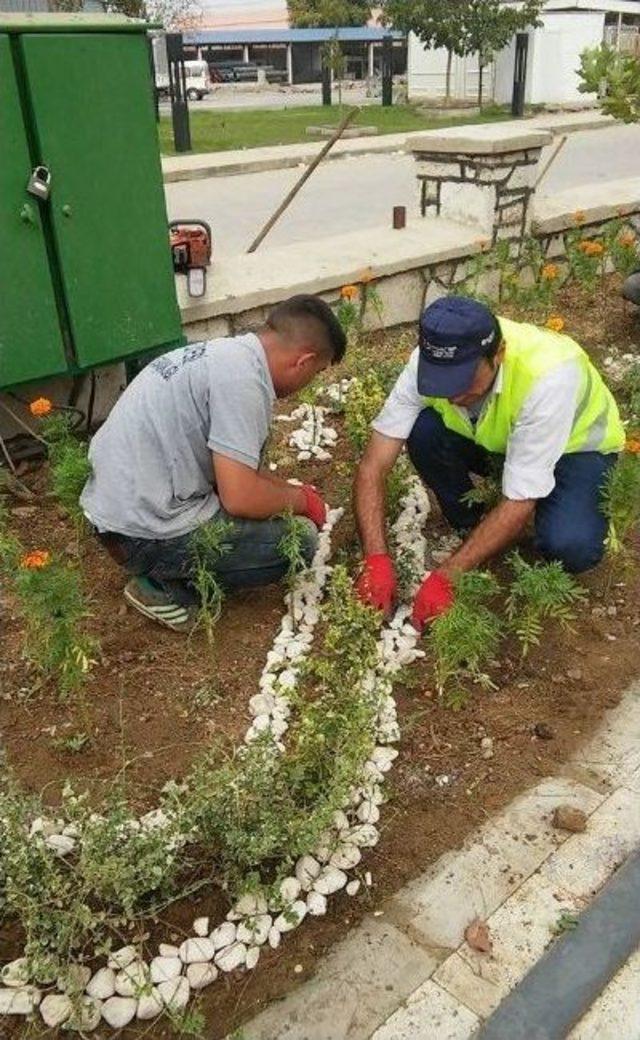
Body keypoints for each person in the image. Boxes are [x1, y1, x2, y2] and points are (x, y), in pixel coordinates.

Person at [354, 295, 624, 630]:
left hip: (575, 450)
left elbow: (520, 499)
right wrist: (375, 558)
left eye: (463, 383)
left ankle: (530, 521)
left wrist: (447, 578)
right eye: (441, 383)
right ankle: (474, 526)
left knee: (571, 545)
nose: (452, 396)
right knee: (423, 431)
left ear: (498, 355)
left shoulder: (548, 376)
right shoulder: (424, 364)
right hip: (501, 439)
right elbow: (374, 464)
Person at [80, 295, 346, 631]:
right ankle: (165, 586)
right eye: (317, 373)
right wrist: (302, 501)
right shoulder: (243, 383)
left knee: (280, 510)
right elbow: (239, 496)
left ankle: (160, 565)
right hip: (141, 533)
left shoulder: (229, 355)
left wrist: (292, 492)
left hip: (115, 509)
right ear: (303, 361)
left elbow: (238, 469)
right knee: (299, 540)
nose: (312, 382)